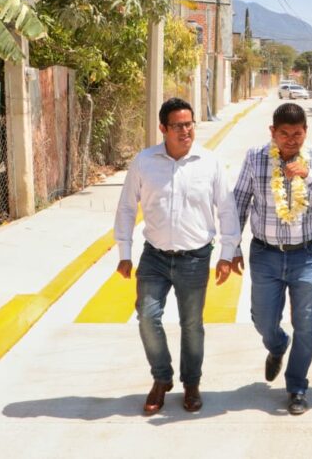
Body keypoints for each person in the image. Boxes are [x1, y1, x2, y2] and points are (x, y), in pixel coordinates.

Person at [114, 97, 241, 415]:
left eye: (189, 124)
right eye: (178, 126)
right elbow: (127, 207)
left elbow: (227, 209)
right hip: (154, 256)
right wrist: (124, 252)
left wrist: (227, 254)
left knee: (192, 324)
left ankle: (192, 384)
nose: (185, 131)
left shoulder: (209, 162)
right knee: (147, 317)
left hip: (195, 258)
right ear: (162, 128)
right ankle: (162, 378)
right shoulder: (145, 162)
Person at [231, 103, 312, 415]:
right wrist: (232, 247)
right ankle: (277, 345)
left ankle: (297, 387)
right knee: (262, 319)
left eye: (298, 134)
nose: (292, 140)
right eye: (284, 134)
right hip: (265, 253)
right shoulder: (256, 157)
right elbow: (239, 202)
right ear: (272, 132)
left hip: (308, 253)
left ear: (306, 131)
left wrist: (309, 176)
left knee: (306, 323)